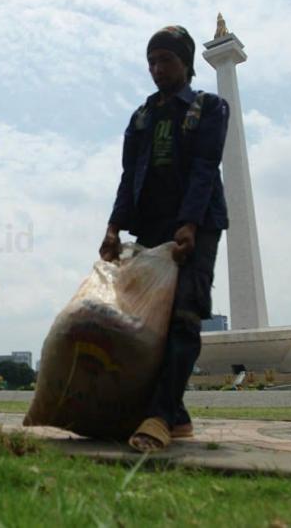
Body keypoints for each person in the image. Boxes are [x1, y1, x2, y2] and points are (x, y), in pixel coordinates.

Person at [98, 26, 229, 452]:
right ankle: (174, 411)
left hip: (197, 226)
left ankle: (159, 415)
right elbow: (127, 175)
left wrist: (189, 222)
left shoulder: (210, 108)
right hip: (151, 228)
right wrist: (114, 227)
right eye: (151, 61)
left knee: (186, 314)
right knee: (148, 320)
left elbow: (205, 167)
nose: (157, 69)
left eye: (166, 60)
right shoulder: (141, 117)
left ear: (186, 63)